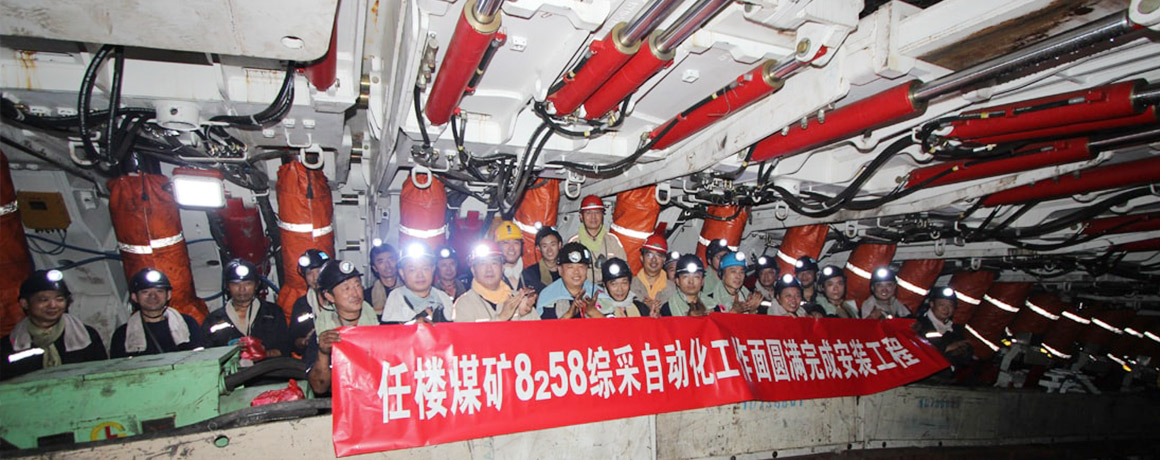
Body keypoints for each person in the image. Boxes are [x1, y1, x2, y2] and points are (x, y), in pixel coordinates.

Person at [2, 270, 106, 380]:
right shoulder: (9, 345)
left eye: (59, 299)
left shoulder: (86, 336)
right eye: (44, 300)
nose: (53, 305)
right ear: (25, 303)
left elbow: (102, 374)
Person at [305, 259, 381, 394]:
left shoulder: (380, 325)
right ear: (330, 296)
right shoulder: (323, 336)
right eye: (346, 288)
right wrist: (323, 353)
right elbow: (319, 387)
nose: (355, 293)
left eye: (357, 285)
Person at [202, 259, 291, 358]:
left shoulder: (273, 313)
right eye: (236, 284)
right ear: (227, 286)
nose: (242, 289)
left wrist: (263, 353)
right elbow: (206, 353)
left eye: (248, 284)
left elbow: (286, 348)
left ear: (256, 285)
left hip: (268, 367)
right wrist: (230, 352)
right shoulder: (213, 320)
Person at [110, 268, 206, 358]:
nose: (153, 296)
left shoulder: (187, 324)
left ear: (168, 295)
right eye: (145, 292)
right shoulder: (123, 334)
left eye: (159, 291)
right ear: (134, 297)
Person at [452, 241, 539, 322]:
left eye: (494, 263)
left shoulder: (518, 299)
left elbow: (538, 331)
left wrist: (524, 315)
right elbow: (465, 334)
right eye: (482, 264)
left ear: (502, 268)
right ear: (473, 270)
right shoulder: (464, 304)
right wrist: (501, 318)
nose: (489, 269)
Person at [381, 242, 454, 324]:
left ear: (433, 269)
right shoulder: (396, 297)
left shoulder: (443, 298)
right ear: (402, 273)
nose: (420, 275)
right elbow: (389, 330)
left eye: (425, 269)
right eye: (412, 270)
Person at [914, 286, 973, 374]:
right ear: (932, 304)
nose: (946, 309)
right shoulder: (918, 324)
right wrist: (947, 348)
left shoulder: (956, 329)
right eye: (942, 304)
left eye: (950, 305)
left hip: (947, 377)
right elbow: (919, 350)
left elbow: (966, 356)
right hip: (923, 374)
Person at [537, 242, 603, 319]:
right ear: (560, 270)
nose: (576, 272)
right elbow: (547, 327)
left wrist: (592, 311)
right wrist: (569, 314)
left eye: (581, 266)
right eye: (570, 267)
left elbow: (612, 325)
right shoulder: (548, 296)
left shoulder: (598, 294)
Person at [568, 195, 626, 282]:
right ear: (581, 216)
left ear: (602, 215)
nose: (593, 217)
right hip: (584, 288)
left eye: (597, 212)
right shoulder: (574, 243)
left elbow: (623, 269)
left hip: (610, 288)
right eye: (588, 213)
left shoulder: (613, 241)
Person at [289, 249, 330, 357]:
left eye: (318, 271)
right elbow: (293, 341)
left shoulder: (341, 298)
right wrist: (305, 341)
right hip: (313, 357)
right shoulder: (301, 305)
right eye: (309, 273)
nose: (315, 277)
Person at [630, 235, 674, 317]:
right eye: (649, 255)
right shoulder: (630, 286)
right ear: (642, 258)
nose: (654, 259)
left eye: (658, 255)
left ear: (664, 260)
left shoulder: (672, 289)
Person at [521, 226, 562, 294]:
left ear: (559, 245)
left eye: (553, 245)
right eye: (545, 246)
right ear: (538, 248)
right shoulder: (531, 273)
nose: (549, 250)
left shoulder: (567, 269)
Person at [365, 240, 399, 316]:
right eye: (381, 262)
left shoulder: (410, 289)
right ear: (375, 268)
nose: (387, 265)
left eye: (391, 259)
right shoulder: (367, 296)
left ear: (397, 261)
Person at [495, 220, 525, 289]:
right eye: (506, 242)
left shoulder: (534, 274)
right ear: (498, 246)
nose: (511, 248)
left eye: (516, 242)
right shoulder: (490, 276)